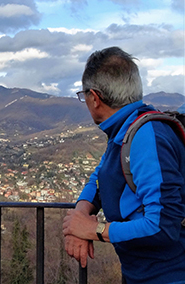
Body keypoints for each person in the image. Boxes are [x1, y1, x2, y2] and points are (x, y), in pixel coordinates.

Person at [62, 46, 185, 284]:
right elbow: (100, 177)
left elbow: (163, 226)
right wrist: (80, 215)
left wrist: (95, 230)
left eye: (83, 95)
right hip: (142, 273)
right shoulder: (126, 129)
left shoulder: (146, 136)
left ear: (94, 98)